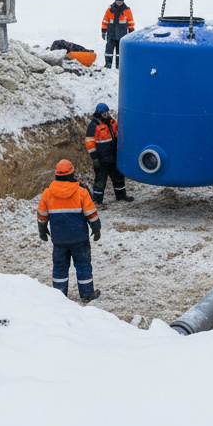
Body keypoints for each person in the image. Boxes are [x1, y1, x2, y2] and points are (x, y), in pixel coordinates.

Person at [37, 159, 102, 301]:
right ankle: (87, 295)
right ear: (72, 174)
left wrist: (42, 230)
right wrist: (96, 228)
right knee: (83, 265)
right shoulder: (81, 192)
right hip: (80, 238)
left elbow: (42, 215)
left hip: (59, 239)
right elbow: (91, 213)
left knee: (60, 267)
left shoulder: (48, 193)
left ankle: (59, 296)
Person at [85, 102, 133, 206]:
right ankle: (97, 201)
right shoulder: (94, 126)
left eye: (107, 112)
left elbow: (119, 134)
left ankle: (121, 196)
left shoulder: (112, 122)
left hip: (113, 157)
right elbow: (89, 143)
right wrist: (95, 159)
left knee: (118, 178)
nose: (106, 114)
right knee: (100, 181)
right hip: (101, 159)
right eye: (104, 113)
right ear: (99, 113)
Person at [101, 0, 134, 69]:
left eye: (120, 0)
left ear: (123, 1)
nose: (119, 2)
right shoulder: (110, 9)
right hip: (111, 34)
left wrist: (131, 31)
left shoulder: (127, 10)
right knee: (109, 50)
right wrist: (103, 30)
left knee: (120, 51)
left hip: (122, 34)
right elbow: (105, 20)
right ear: (115, 0)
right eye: (117, 0)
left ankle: (119, 65)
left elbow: (130, 21)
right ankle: (108, 64)